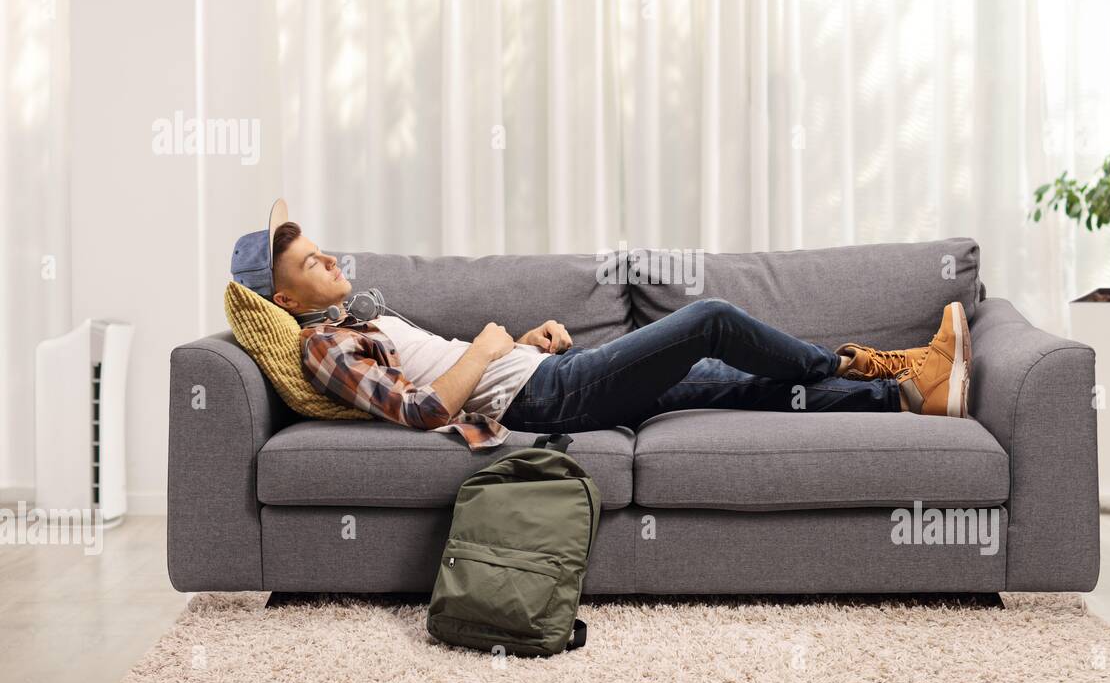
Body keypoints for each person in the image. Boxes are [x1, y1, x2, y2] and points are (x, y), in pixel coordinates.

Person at [230, 200, 971, 451]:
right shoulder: (323, 346)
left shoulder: (356, 316)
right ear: (286, 301)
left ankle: (909, 392)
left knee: (734, 384)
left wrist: (516, 344)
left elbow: (442, 370)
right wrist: (493, 345)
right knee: (710, 320)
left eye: (323, 251)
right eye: (311, 263)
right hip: (545, 402)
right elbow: (424, 408)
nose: (330, 260)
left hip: (541, 377)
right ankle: (841, 363)